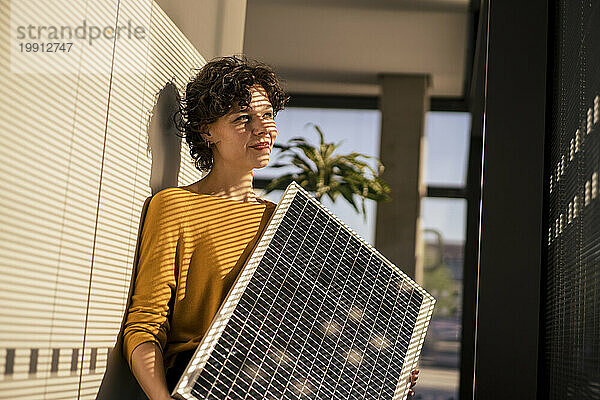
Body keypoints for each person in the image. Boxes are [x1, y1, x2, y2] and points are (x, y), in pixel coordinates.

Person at [120, 55, 420, 400]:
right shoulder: (176, 207)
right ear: (207, 131)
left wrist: (386, 375)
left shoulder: (284, 220)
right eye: (242, 119)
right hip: (201, 382)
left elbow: (315, 333)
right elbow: (144, 324)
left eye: (267, 115)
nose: (262, 129)